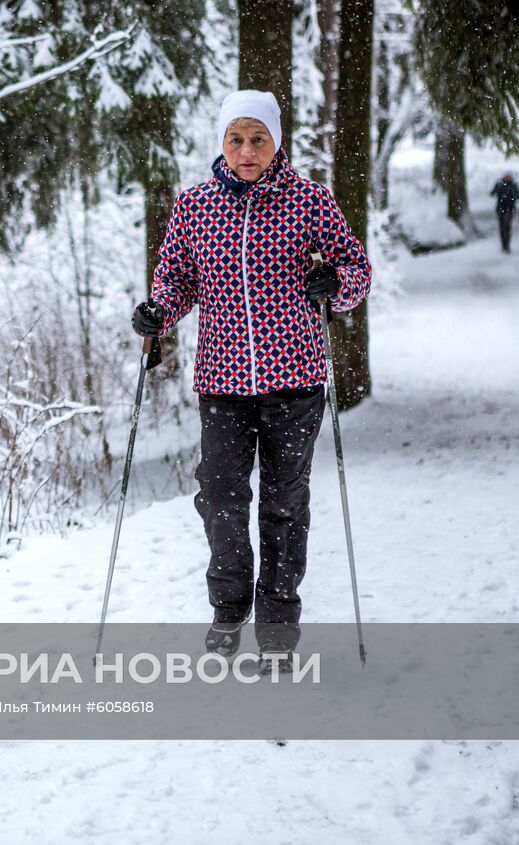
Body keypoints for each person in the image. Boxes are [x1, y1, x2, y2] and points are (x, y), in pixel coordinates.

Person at [130, 90, 372, 668]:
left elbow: (356, 268)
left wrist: (333, 287)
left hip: (296, 381)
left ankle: (279, 627)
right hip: (222, 383)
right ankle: (229, 607)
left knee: (285, 504)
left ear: (276, 141)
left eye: (257, 138)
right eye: (235, 139)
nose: (246, 150)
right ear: (221, 143)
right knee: (220, 496)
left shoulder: (309, 201)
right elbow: (176, 281)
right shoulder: (194, 208)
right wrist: (157, 313)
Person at [490, 172, 519, 253]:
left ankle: (507, 245)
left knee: (507, 226)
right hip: (500, 209)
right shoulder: (499, 184)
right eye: (506, 177)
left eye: (509, 177)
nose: (507, 178)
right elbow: (492, 193)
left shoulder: (513, 185)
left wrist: (513, 195)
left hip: (510, 209)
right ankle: (503, 245)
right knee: (502, 227)